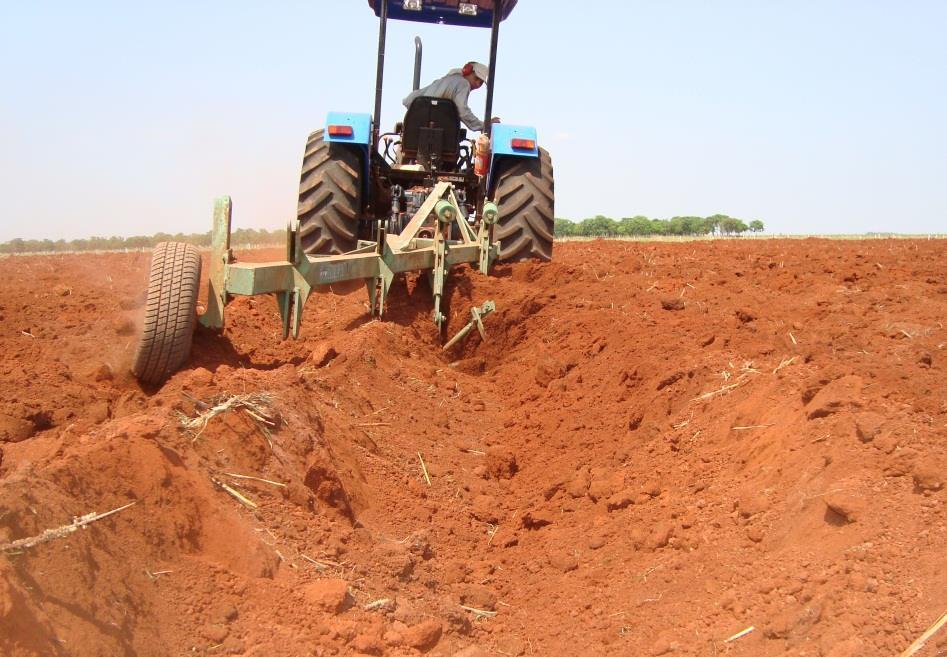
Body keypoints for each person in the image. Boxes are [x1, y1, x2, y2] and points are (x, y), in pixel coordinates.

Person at [402, 61, 500, 132]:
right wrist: (484, 125)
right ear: (467, 71)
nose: (478, 84)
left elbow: (408, 100)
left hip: (415, 130)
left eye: (481, 83)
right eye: (476, 78)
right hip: (442, 134)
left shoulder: (443, 81)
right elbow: (463, 111)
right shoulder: (463, 83)